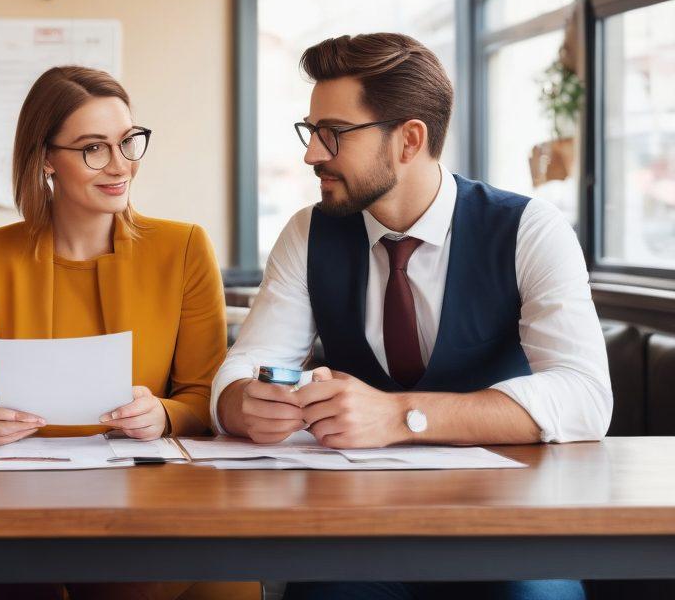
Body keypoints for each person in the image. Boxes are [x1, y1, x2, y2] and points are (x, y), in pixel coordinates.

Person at [213, 33, 611, 600]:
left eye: (333, 134)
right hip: (358, 535)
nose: (310, 154)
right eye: (310, 132)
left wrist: (400, 416)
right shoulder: (309, 232)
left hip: (509, 527)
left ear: (409, 140)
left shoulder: (529, 229)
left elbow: (585, 396)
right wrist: (243, 406)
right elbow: (245, 366)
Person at [0, 65, 255, 600]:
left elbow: (207, 392)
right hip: (25, 495)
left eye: (128, 142)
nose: (120, 165)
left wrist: (162, 414)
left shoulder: (182, 249)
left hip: (150, 499)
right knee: (9, 579)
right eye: (94, 148)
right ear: (45, 159)